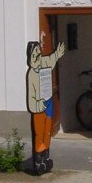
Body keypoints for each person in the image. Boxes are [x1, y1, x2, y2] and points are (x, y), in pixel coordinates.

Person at [26, 40, 65, 175]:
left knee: (47, 132)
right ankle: (38, 162)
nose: (37, 55)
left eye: (38, 51)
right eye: (34, 52)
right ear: (30, 55)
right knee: (39, 133)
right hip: (38, 108)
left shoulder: (43, 63)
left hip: (48, 103)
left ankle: (45, 158)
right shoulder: (31, 73)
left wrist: (57, 54)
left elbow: (50, 60)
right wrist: (37, 104)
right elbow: (31, 96)